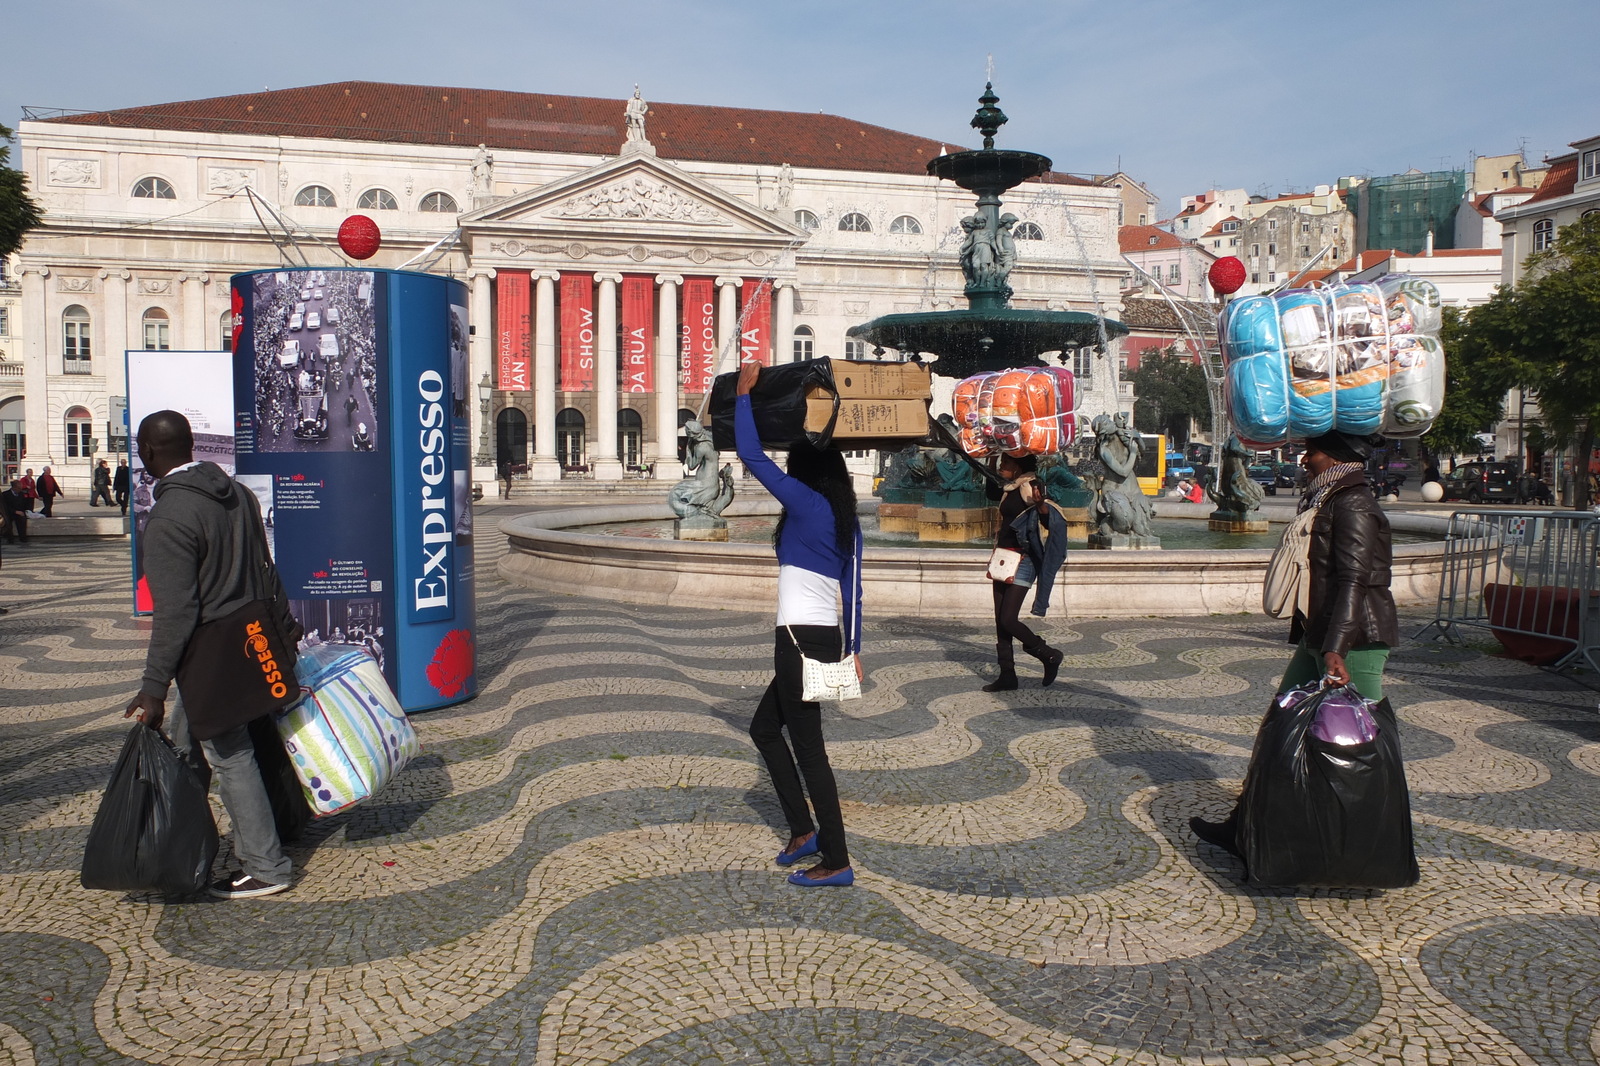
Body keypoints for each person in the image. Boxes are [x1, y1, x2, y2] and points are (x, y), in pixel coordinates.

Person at [1190, 430, 1402, 858]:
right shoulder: (1325, 498)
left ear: (1338, 456)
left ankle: (1369, 848)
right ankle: (1245, 829)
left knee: (1359, 747)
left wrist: (1336, 647)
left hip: (1353, 641)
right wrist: (1320, 638)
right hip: (1321, 634)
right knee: (1280, 730)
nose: (1304, 459)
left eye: (1314, 451)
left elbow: (1354, 581)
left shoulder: (1354, 503)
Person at [122, 410, 302, 899]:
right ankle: (174, 848)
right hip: (252, 639)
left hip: (209, 656)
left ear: (148, 452)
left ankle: (267, 865)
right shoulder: (238, 494)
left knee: (230, 754)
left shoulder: (169, 517)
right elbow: (267, 571)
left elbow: (176, 613)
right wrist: (285, 631)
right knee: (184, 750)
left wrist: (154, 685)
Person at [734, 361, 862, 888]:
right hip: (823, 638)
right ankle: (803, 832)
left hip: (797, 641)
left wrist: (744, 396)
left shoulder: (807, 504)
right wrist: (854, 645)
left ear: (806, 471)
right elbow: (855, 586)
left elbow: (749, 456)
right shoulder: (843, 518)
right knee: (764, 728)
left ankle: (836, 859)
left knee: (810, 751)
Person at [982, 454, 1065, 691]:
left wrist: (1040, 505)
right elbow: (991, 492)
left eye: (1005, 464)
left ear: (1017, 466)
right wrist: (989, 462)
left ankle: (1048, 654)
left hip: (1023, 559)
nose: (1001, 467)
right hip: (1003, 558)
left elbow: (1051, 519)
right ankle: (1007, 674)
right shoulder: (1011, 487)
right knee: (1000, 621)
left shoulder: (1030, 487)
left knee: (1009, 618)